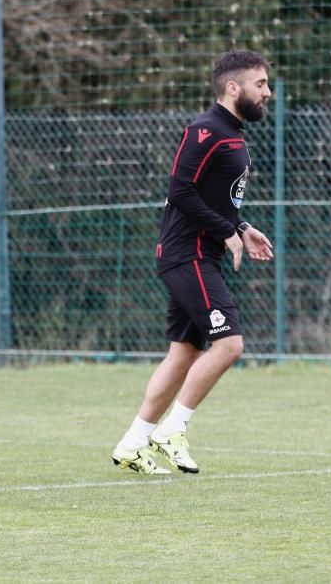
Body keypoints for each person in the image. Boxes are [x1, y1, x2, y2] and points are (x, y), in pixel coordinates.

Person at [112, 50, 275, 475]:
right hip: (189, 255)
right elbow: (181, 192)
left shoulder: (232, 134)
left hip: (200, 255)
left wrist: (241, 227)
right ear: (233, 88)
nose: (267, 93)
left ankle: (132, 443)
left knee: (183, 352)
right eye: (260, 84)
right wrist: (225, 232)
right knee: (230, 344)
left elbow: (214, 198)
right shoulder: (205, 131)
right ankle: (172, 430)